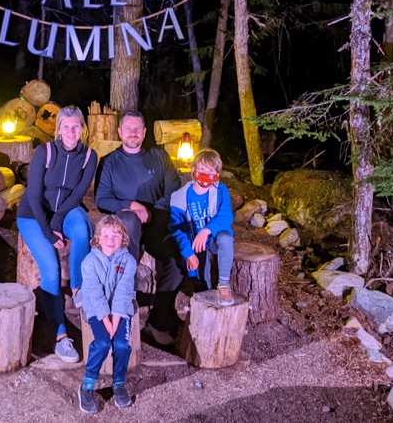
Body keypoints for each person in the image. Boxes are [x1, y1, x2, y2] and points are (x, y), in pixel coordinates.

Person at [17, 106, 98, 363]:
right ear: (58, 129)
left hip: (66, 211)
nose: (72, 131)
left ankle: (78, 287)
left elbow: (78, 194)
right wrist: (48, 232)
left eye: (76, 126)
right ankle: (60, 335)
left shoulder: (89, 156)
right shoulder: (45, 152)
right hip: (34, 215)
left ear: (82, 128)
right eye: (66, 126)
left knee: (82, 229)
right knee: (51, 269)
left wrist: (59, 220)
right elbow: (33, 194)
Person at [95, 111, 183, 346]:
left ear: (144, 133)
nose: (133, 133)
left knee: (175, 262)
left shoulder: (159, 156)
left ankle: (157, 322)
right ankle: (123, 295)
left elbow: (174, 190)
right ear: (119, 132)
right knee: (131, 220)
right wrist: (130, 206)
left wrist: (152, 212)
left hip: (156, 225)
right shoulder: (109, 161)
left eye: (137, 129)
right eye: (128, 129)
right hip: (125, 230)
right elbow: (102, 198)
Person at [78, 215, 136, 413]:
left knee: (121, 344)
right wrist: (106, 320)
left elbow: (124, 290)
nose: (111, 239)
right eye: (106, 235)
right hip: (97, 309)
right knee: (102, 343)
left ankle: (119, 382)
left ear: (123, 238)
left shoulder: (128, 261)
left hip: (121, 309)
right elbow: (93, 292)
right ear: (98, 238)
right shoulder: (89, 262)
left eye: (116, 235)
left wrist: (116, 319)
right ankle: (87, 385)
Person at [169, 148, 236, 306]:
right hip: (194, 242)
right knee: (201, 283)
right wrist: (188, 253)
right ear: (193, 170)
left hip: (214, 238)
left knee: (226, 237)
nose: (206, 173)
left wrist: (206, 230)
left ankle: (224, 284)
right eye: (202, 168)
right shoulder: (179, 197)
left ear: (217, 174)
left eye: (211, 170)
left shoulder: (220, 190)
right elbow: (177, 229)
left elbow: (226, 216)